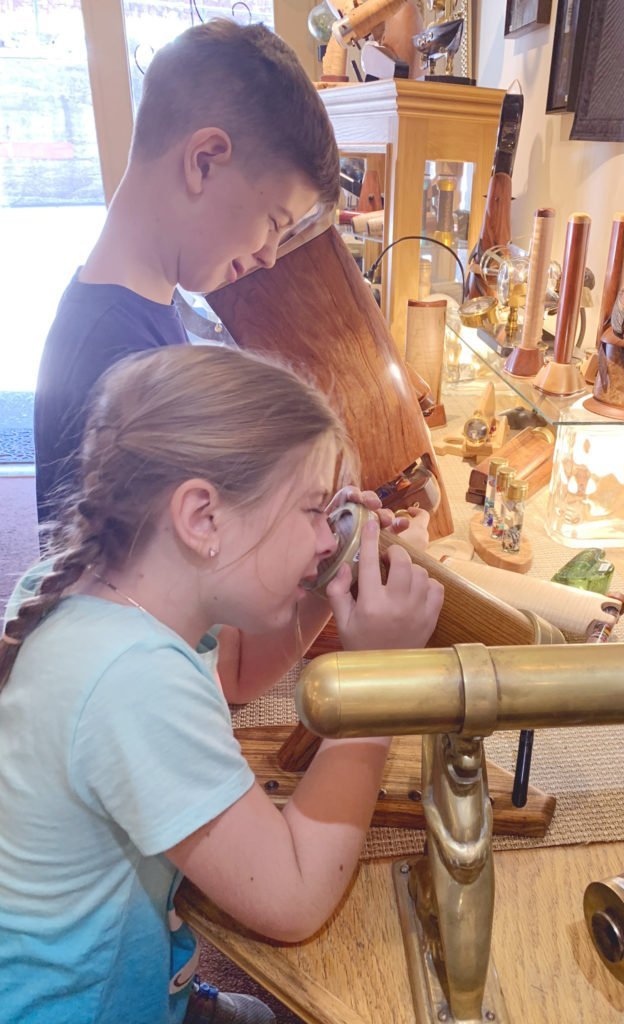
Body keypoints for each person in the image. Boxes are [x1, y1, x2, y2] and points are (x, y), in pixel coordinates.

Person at [0, 344, 444, 1024]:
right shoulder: (132, 681)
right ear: (203, 518)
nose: (328, 537)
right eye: (311, 510)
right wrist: (379, 688)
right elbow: (294, 896)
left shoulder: (100, 588)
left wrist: (323, 584)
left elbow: (233, 675)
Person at [34, 16, 339, 526]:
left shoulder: (140, 306)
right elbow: (150, 596)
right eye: (273, 222)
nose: (269, 254)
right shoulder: (115, 365)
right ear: (204, 161)